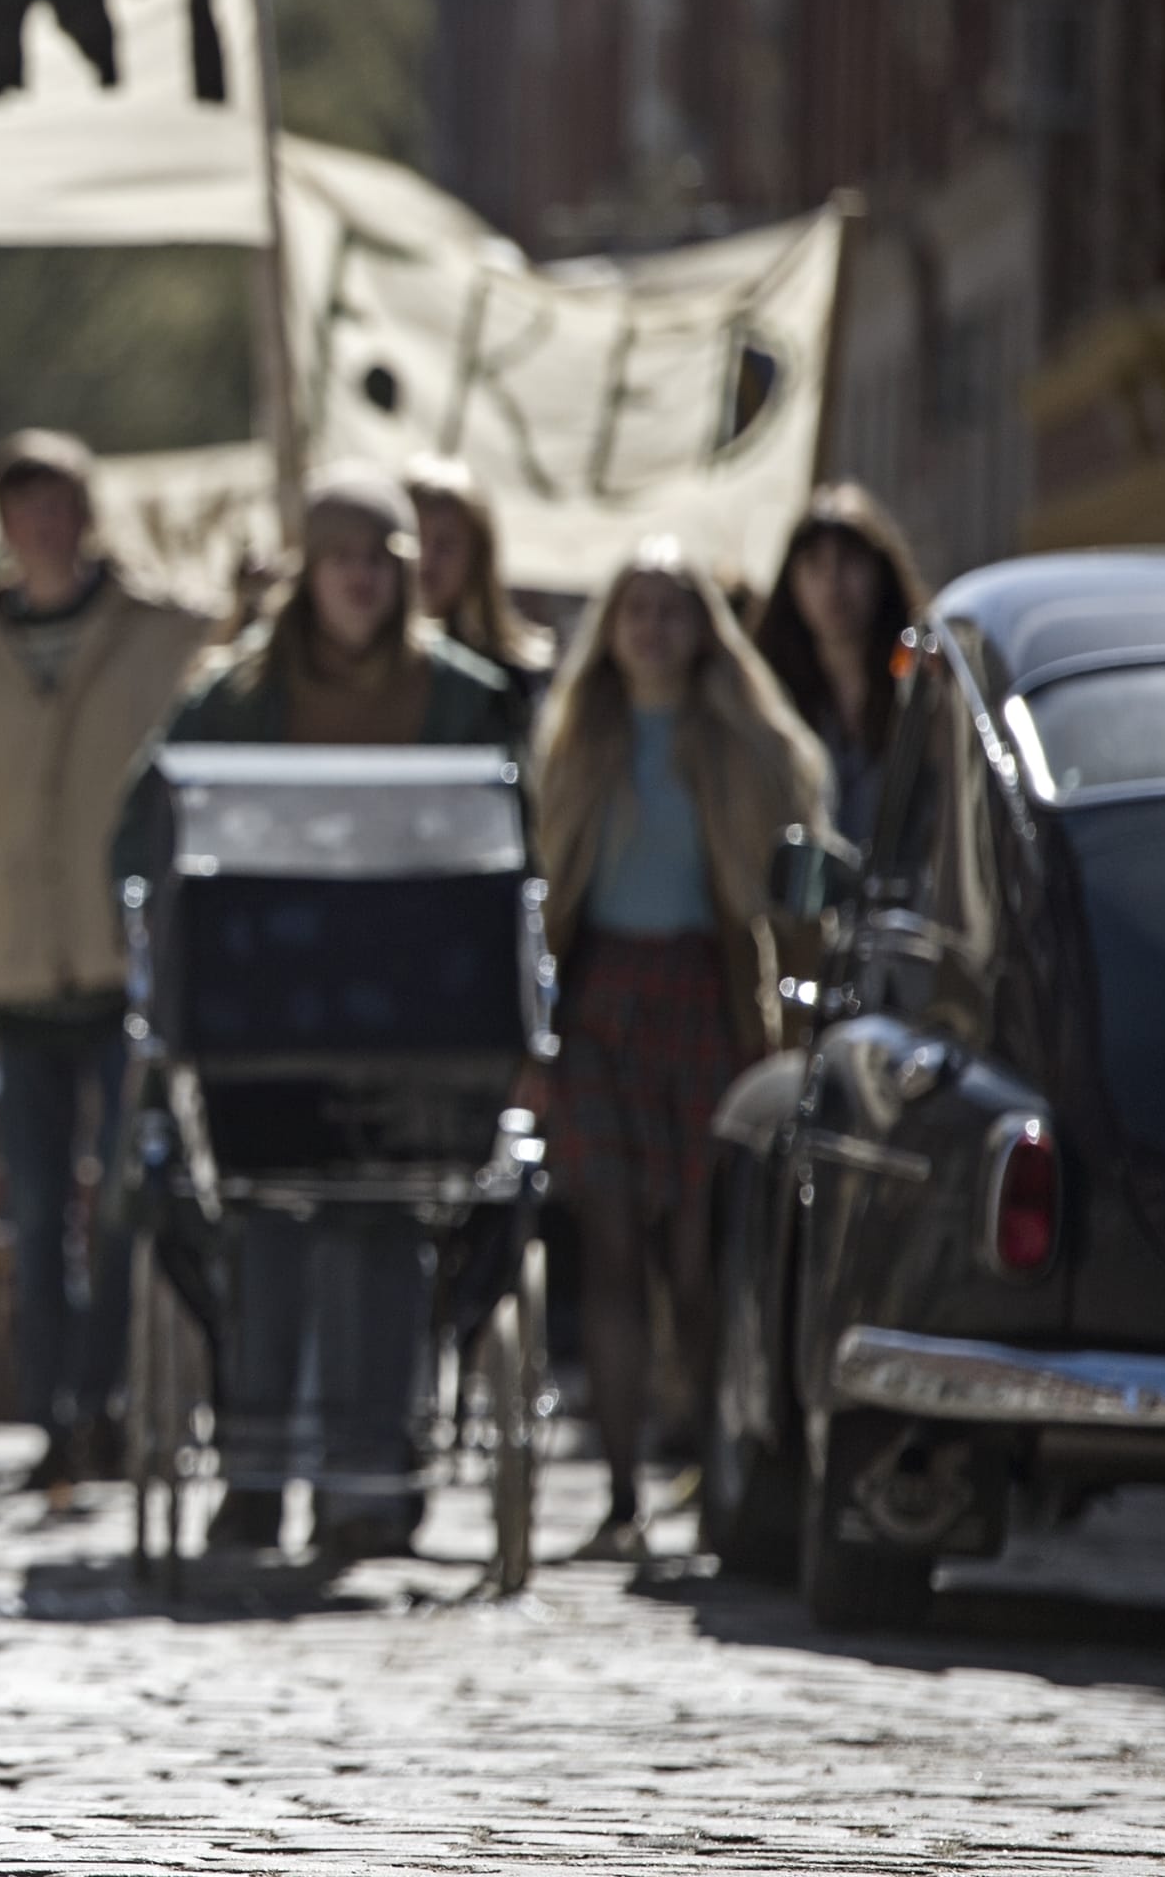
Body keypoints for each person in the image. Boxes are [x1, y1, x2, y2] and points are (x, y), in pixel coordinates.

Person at [138, 467, 526, 1559]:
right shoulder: (236, 696)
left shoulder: (466, 697)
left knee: (386, 1226)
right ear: (308, 574)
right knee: (265, 1226)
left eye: (378, 563)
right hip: (265, 1007)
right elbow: (153, 821)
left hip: (418, 1014)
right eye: (341, 561)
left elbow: (516, 846)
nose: (360, 581)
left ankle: (367, 1483)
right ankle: (256, 1475)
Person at [532, 541, 830, 1559]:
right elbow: (542, 890)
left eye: (673, 610)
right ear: (609, 632)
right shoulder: (576, 743)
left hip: (710, 1002)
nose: (654, 629)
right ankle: (621, 1496)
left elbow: (794, 895)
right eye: (636, 610)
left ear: (705, 628)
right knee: (612, 1249)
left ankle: (711, 1471)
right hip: (598, 1008)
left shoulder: (749, 746)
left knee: (698, 1262)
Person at [0, 431, 213, 1494]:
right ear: (4, 524)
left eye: (61, 505)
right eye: (26, 509)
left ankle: (107, 1396)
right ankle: (52, 1414)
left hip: (125, 958)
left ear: (88, 512)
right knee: (34, 1207)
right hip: (16, 960)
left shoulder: (164, 630)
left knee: (123, 1203)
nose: (45, 527)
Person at [747, 484, 927, 852]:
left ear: (880, 571)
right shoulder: (768, 697)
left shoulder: (924, 683)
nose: (833, 581)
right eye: (815, 563)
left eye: (850, 560)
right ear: (791, 579)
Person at [403, 455, 558, 707]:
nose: (425, 559)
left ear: (477, 556)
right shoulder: (354, 667)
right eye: (413, 538)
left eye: (446, 545)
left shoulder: (510, 681)